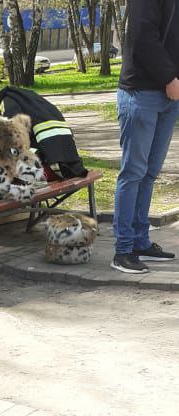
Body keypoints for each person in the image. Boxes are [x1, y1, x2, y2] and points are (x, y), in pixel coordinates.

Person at [111, 0, 179, 274]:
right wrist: (168, 77)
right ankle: (123, 250)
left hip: (169, 96)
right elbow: (141, 36)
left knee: (149, 173)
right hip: (141, 93)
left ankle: (140, 242)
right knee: (133, 173)